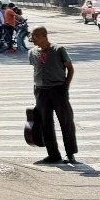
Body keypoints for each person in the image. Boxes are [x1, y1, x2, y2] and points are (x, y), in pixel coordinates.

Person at [28, 26, 78, 164]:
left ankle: (70, 154)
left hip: (58, 89)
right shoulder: (31, 52)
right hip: (40, 91)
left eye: (35, 35)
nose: (32, 39)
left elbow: (70, 68)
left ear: (44, 35)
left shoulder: (58, 50)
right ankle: (53, 154)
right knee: (46, 123)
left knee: (66, 121)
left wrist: (65, 86)